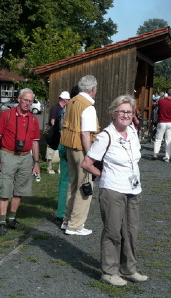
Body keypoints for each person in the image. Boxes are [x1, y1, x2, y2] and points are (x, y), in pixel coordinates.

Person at [81, 95, 148, 287]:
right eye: (122, 111)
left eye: (129, 111)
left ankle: (129, 269)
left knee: (131, 230)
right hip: (113, 189)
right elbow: (86, 163)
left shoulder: (133, 132)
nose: (126, 115)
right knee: (113, 231)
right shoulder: (105, 136)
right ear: (113, 113)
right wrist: (103, 174)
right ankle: (109, 271)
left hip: (133, 189)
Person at [0, 88, 41, 236]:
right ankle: (2, 222)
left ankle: (12, 219)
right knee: (5, 189)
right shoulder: (6, 115)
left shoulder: (33, 119)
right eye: (25, 100)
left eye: (30, 101)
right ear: (19, 99)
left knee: (20, 189)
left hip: (26, 157)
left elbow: (35, 142)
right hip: (8, 155)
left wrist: (37, 162)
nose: (28, 103)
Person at [59, 75, 99, 236]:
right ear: (93, 89)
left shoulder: (72, 102)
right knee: (84, 186)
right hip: (81, 148)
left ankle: (67, 220)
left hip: (69, 146)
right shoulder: (88, 106)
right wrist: (90, 156)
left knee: (72, 184)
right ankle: (75, 225)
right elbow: (85, 133)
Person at [54, 85, 79, 224]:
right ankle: (66, 211)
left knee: (64, 180)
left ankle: (61, 211)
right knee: (71, 180)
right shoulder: (76, 109)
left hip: (62, 144)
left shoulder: (64, 109)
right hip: (71, 145)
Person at [45, 91, 70, 174]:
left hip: (61, 132)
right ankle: (49, 167)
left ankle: (60, 168)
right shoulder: (55, 107)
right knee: (51, 149)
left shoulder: (65, 109)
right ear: (64, 100)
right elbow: (52, 121)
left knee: (61, 150)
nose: (69, 101)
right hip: (53, 132)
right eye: (68, 99)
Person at [151, 88, 171, 162]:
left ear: (166, 94)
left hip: (161, 121)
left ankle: (155, 153)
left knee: (158, 138)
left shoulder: (161, 101)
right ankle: (167, 157)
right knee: (169, 140)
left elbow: (157, 103)